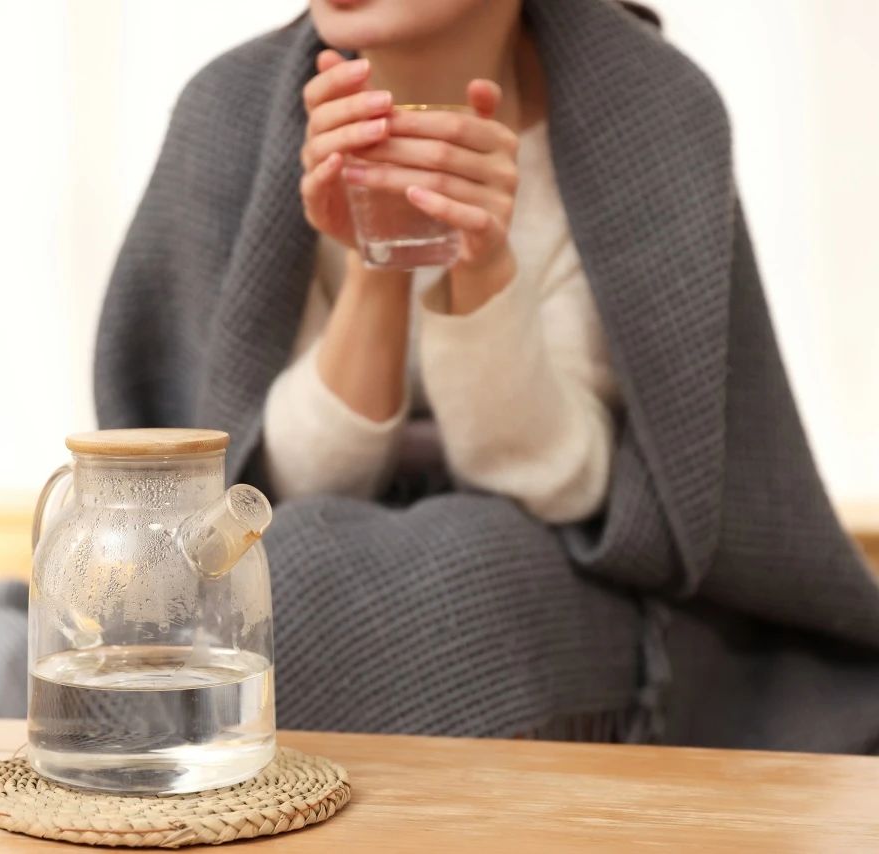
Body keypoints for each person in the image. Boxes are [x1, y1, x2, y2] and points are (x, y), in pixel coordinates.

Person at [94, 0, 879, 750]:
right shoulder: (232, 113)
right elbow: (254, 502)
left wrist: (481, 265)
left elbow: (567, 486)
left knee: (460, 569)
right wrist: (379, 261)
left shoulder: (649, 114)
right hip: (307, 545)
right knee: (289, 572)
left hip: (552, 563)